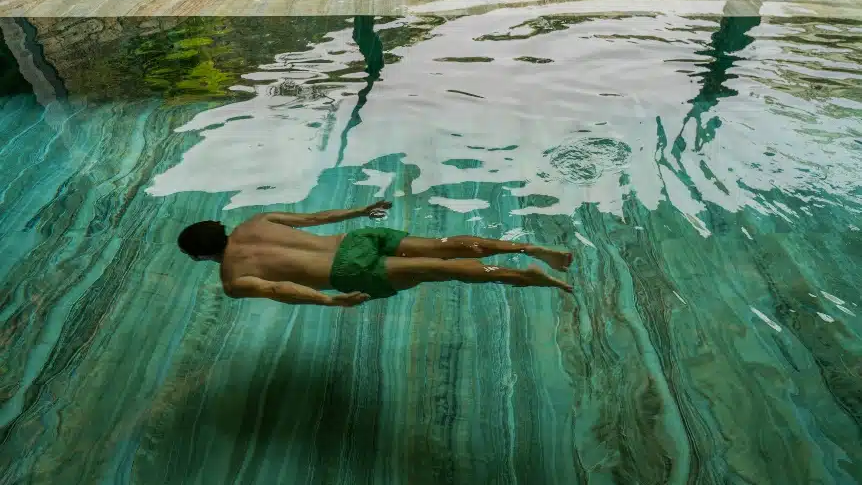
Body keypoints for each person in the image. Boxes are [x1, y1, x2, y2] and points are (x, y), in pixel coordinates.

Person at [177, 201, 574, 307]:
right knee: (445, 246)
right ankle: (530, 248)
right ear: (219, 228)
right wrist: (360, 212)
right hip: (356, 239)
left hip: (350, 269)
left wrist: (329, 301)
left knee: (441, 269)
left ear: (199, 257)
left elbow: (281, 289)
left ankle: (527, 276)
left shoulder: (232, 280)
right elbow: (316, 217)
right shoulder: (256, 221)